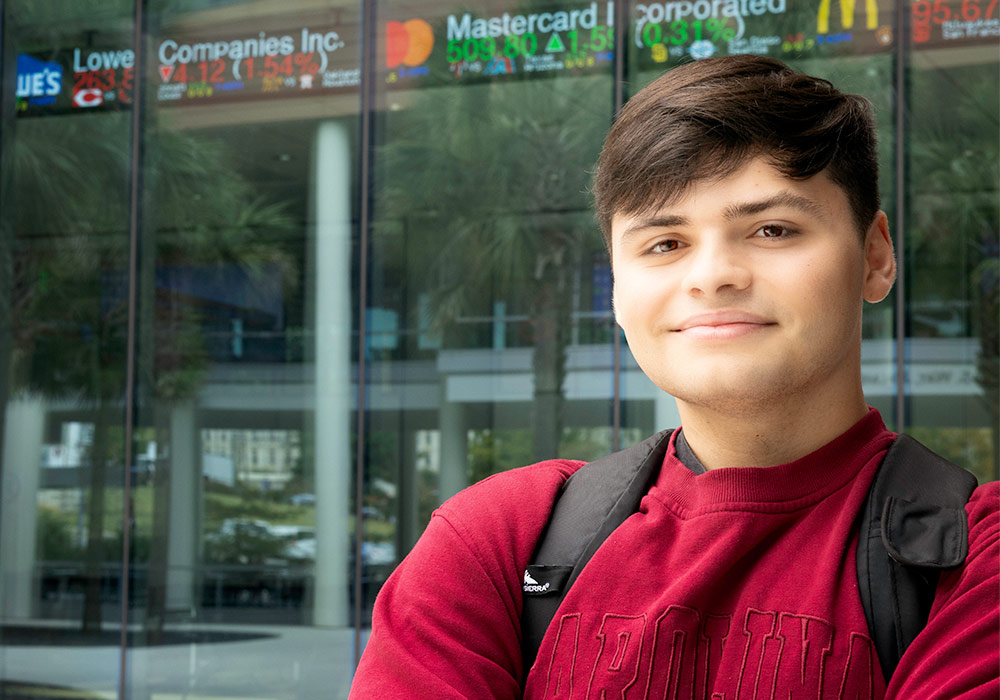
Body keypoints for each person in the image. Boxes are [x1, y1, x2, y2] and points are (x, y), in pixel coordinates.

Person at [349, 55, 998, 699]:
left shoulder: (975, 558)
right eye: (664, 243)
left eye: (773, 229)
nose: (712, 275)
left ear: (875, 258)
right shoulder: (496, 541)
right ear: (615, 290)